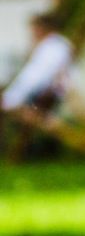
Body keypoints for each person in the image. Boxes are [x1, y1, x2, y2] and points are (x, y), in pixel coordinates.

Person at [1, 11, 74, 161]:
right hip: (40, 96)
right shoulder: (53, 46)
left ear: (41, 28)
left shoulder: (53, 48)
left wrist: (11, 99)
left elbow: (35, 79)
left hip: (41, 98)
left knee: (19, 111)